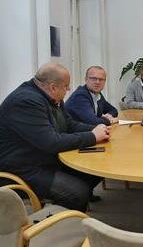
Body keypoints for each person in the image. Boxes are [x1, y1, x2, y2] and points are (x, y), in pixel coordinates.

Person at [0, 63, 110, 212]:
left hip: (44, 159)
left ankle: (73, 213)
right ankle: (61, 225)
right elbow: (51, 142)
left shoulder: (51, 96)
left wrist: (98, 130)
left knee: (94, 172)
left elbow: (68, 124)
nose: (69, 89)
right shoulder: (26, 101)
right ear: (53, 87)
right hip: (23, 168)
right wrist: (92, 136)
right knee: (78, 192)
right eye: (66, 86)